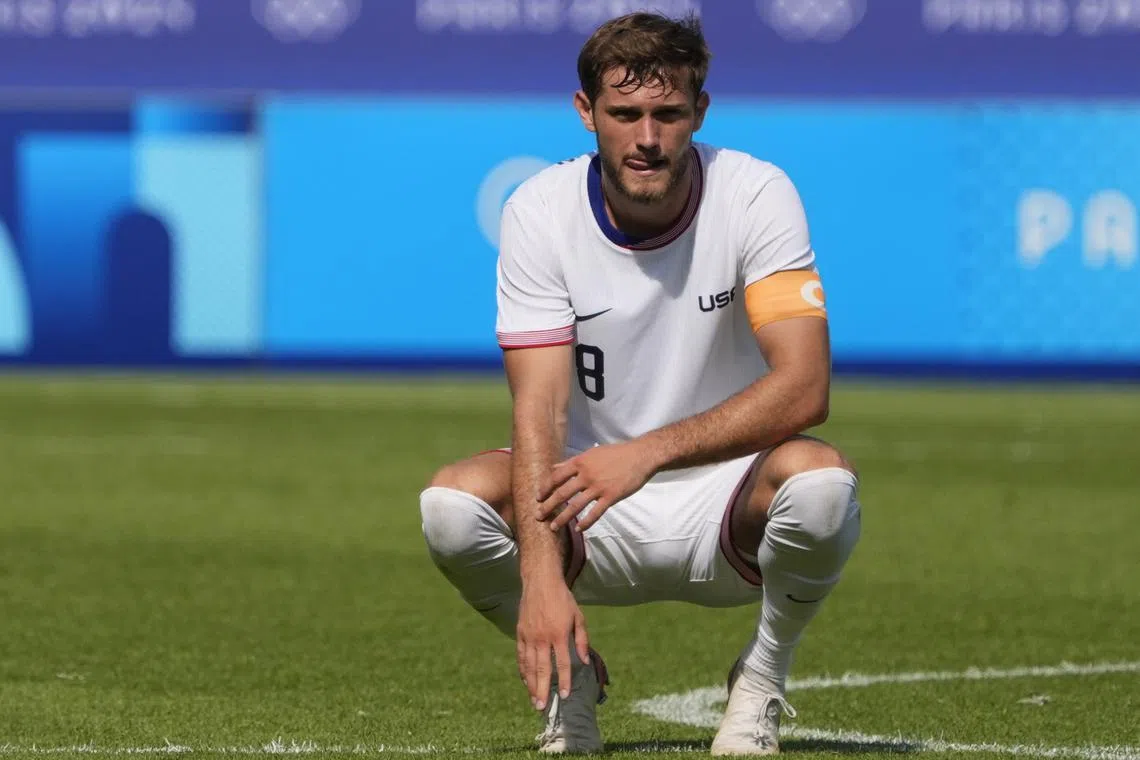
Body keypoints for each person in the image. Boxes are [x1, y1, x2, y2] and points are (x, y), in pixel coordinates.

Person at [419, 11, 862, 756]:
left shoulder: (756, 193)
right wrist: (540, 579)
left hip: (726, 498)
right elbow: (539, 408)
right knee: (448, 506)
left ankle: (759, 681)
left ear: (701, 112)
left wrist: (646, 452)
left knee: (823, 486)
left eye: (668, 113)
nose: (647, 137)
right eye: (624, 114)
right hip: (584, 505)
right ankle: (570, 687)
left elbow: (805, 387)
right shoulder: (539, 210)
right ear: (586, 112)